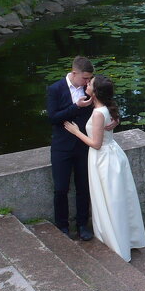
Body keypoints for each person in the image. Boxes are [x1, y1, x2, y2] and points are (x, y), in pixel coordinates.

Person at [64, 74, 145, 262]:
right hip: (112, 155)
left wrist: (76, 131)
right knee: (116, 199)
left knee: (109, 200)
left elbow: (95, 144)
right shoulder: (105, 109)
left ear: (96, 92)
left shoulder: (98, 113)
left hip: (103, 159)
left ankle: (114, 241)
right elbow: (110, 123)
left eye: (91, 83)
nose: (87, 83)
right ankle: (122, 239)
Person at [45, 56, 114, 239]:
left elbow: (107, 104)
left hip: (85, 146)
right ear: (74, 73)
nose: (87, 82)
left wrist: (115, 119)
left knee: (84, 186)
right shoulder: (55, 89)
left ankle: (83, 224)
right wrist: (75, 107)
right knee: (60, 188)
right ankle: (62, 226)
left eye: (89, 79)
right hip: (62, 147)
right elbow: (53, 118)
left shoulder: (90, 88)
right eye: (84, 78)